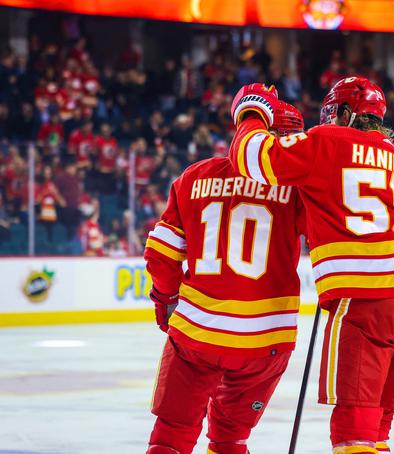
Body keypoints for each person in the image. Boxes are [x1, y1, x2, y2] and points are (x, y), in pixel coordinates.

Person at [229, 79, 394, 453]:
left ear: (345, 113)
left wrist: (251, 110)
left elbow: (251, 158)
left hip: (367, 305)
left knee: (354, 428)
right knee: (378, 427)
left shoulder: (326, 140)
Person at [144, 102, 306, 454]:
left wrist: (166, 299)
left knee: (172, 433)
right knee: (231, 438)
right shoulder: (297, 187)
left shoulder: (193, 177)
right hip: (266, 338)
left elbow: (161, 255)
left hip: (198, 331)